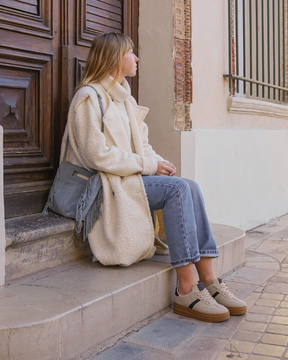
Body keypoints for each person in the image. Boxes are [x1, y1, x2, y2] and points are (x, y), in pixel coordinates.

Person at [61, 32, 247, 323]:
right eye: (130, 53)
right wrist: (148, 166)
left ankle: (209, 279)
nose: (136, 58)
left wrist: (159, 162)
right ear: (113, 58)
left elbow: (142, 145)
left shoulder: (125, 99)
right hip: (109, 186)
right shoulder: (88, 98)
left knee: (189, 185)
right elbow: (96, 155)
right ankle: (186, 287)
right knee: (176, 191)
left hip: (129, 178)